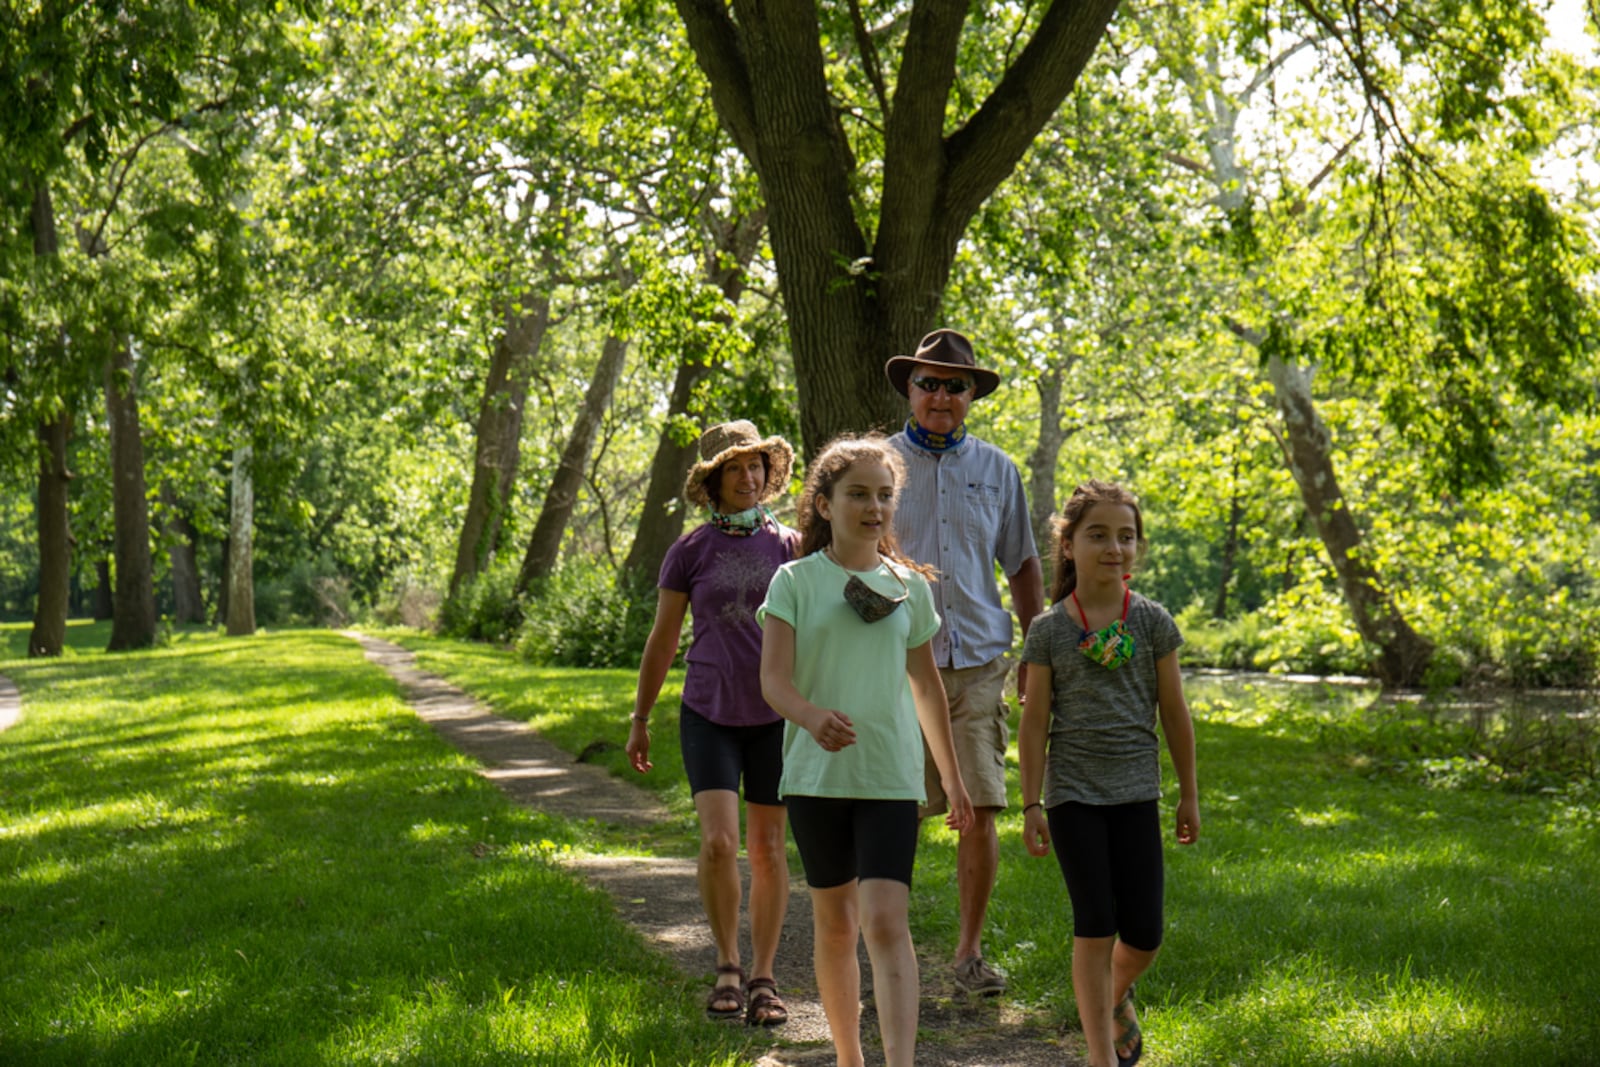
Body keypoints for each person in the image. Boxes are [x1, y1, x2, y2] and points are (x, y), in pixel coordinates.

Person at [757, 434, 974, 1067]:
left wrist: (953, 782)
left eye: (884, 495)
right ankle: (850, 1058)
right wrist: (811, 716)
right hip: (814, 778)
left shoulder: (910, 587)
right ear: (825, 505)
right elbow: (773, 681)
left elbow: (927, 687)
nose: (873, 507)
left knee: (885, 921)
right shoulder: (793, 580)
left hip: (890, 776)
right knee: (835, 925)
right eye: (857, 494)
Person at [1017, 480, 1200, 1067]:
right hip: (1073, 795)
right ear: (1069, 545)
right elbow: (1034, 721)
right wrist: (1030, 805)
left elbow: (1174, 712)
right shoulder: (1049, 629)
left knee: (1144, 934)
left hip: (1137, 793)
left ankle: (1113, 993)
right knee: (1095, 922)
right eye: (1098, 535)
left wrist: (1188, 795)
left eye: (1126, 536)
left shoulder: (1152, 623)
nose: (1114, 547)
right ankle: (1100, 1056)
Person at [884, 328, 1044, 996]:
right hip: (893, 662)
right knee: (892, 810)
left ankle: (968, 954)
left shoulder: (999, 469)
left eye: (955, 384)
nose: (941, 395)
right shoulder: (879, 463)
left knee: (979, 801)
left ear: (972, 393)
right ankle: (887, 956)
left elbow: (1025, 564)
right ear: (910, 390)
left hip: (980, 657)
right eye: (929, 382)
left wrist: (1038, 654)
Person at [626, 420, 797, 1027]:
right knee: (721, 842)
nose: (748, 476)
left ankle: (764, 976)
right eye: (734, 468)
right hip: (708, 710)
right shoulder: (690, 551)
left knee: (770, 849)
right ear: (714, 481)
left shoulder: (792, 546)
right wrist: (640, 716)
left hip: (778, 717)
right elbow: (663, 638)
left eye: (755, 465)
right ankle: (727, 962)